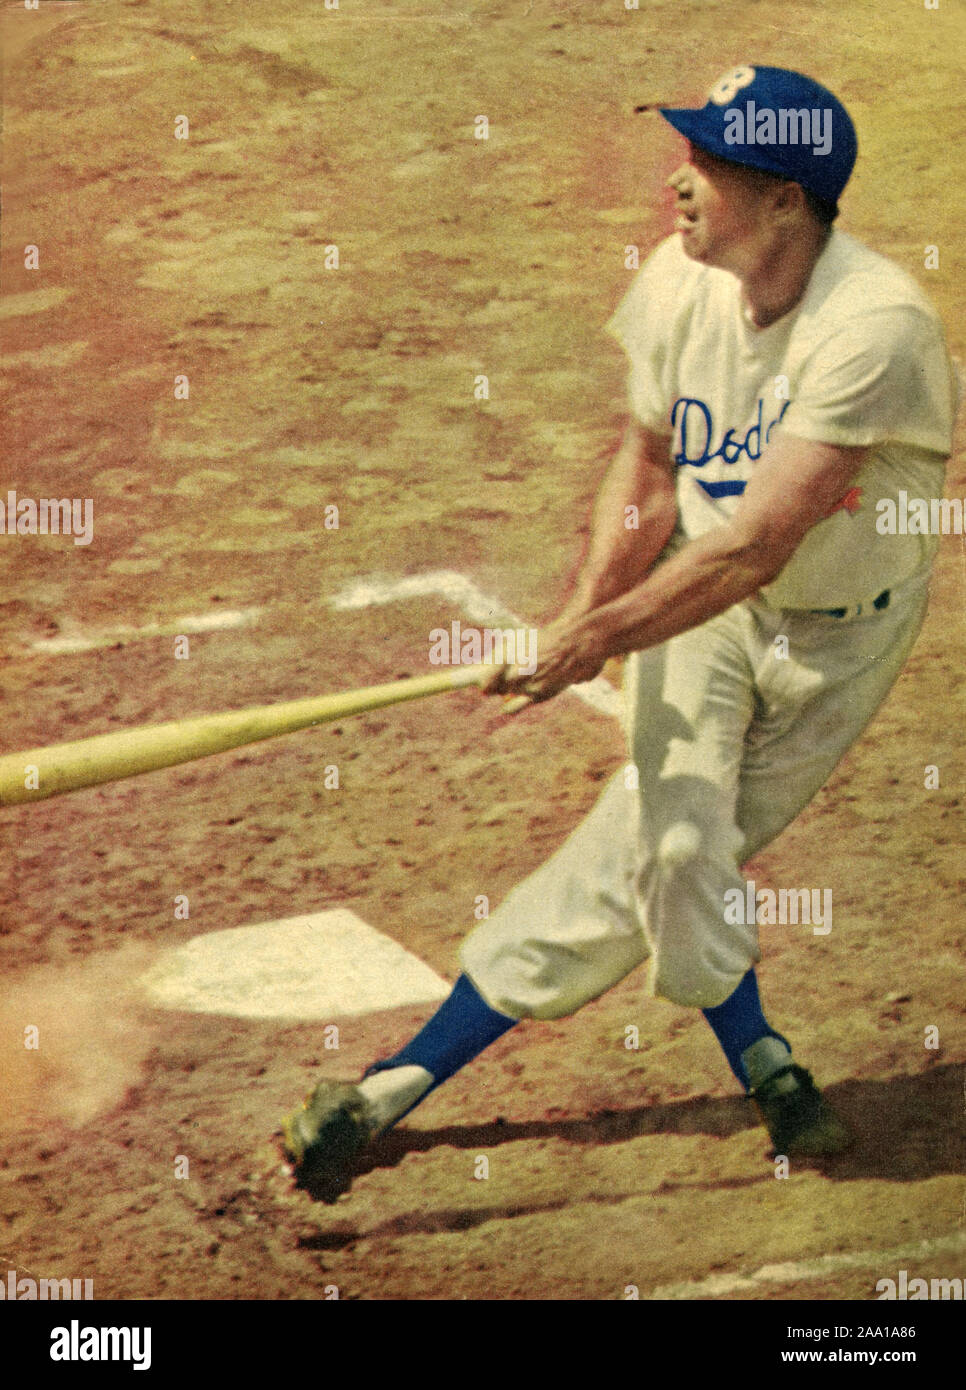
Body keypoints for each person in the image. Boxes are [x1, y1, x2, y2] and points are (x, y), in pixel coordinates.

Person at [281, 65, 958, 1201]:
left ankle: (736, 1057)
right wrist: (583, 616)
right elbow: (650, 470)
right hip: (706, 602)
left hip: (840, 641)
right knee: (675, 843)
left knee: (674, 856)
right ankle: (414, 1085)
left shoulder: (874, 328)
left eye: (708, 165)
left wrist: (591, 644)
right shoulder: (677, 284)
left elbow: (760, 546)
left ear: (788, 199)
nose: (676, 185)